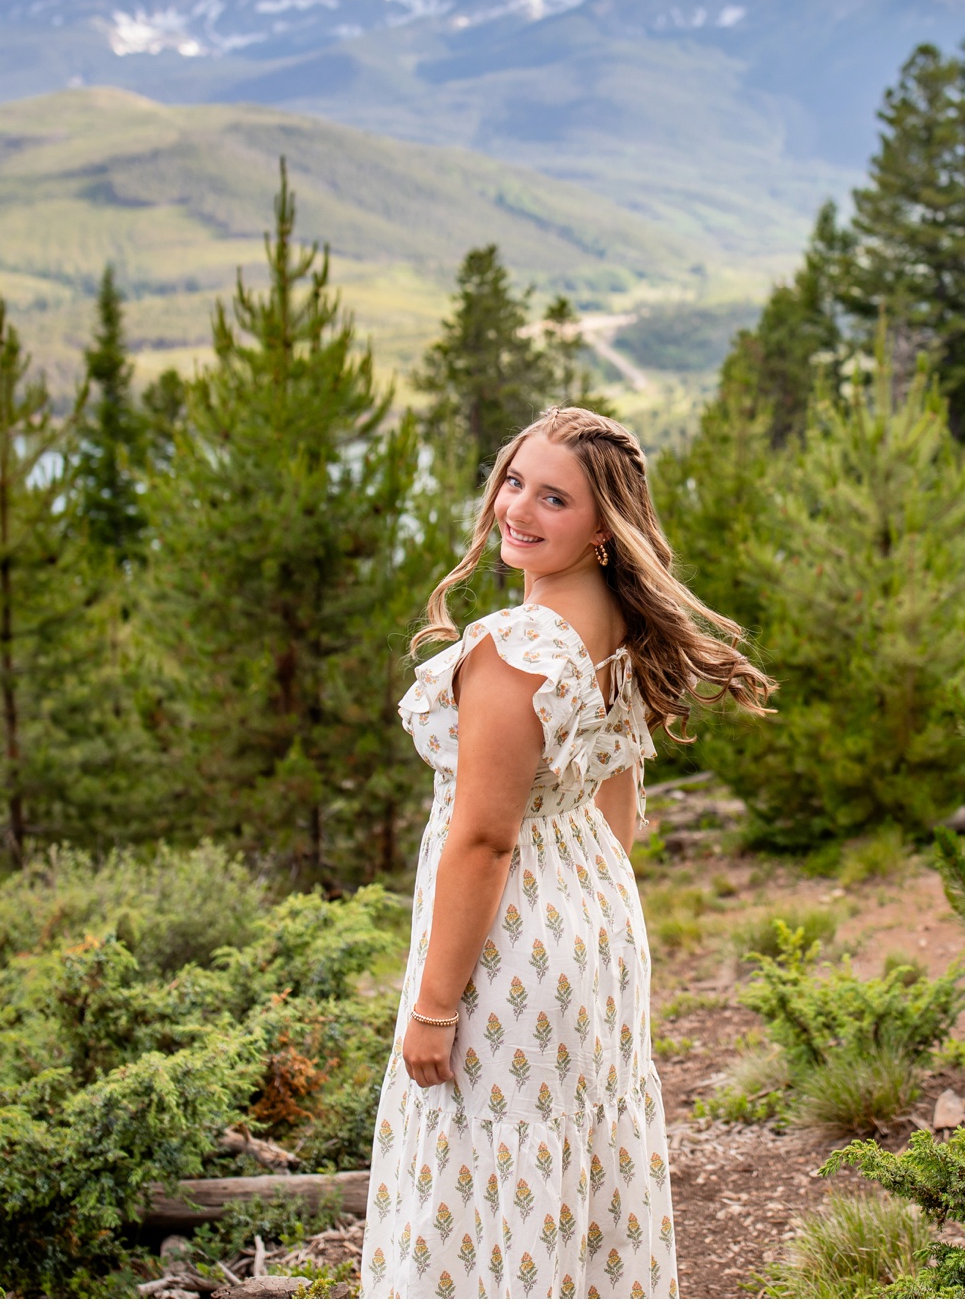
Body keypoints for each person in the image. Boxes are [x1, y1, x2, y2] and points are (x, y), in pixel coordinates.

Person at [359, 407, 775, 1300]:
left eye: (555, 498)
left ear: (602, 529)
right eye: (515, 481)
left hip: (510, 946)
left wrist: (435, 1008)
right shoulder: (620, 627)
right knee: (574, 1150)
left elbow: (483, 837)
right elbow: (615, 805)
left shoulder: (518, 649)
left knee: (484, 1158)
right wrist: (584, 915)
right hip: (593, 925)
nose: (519, 509)